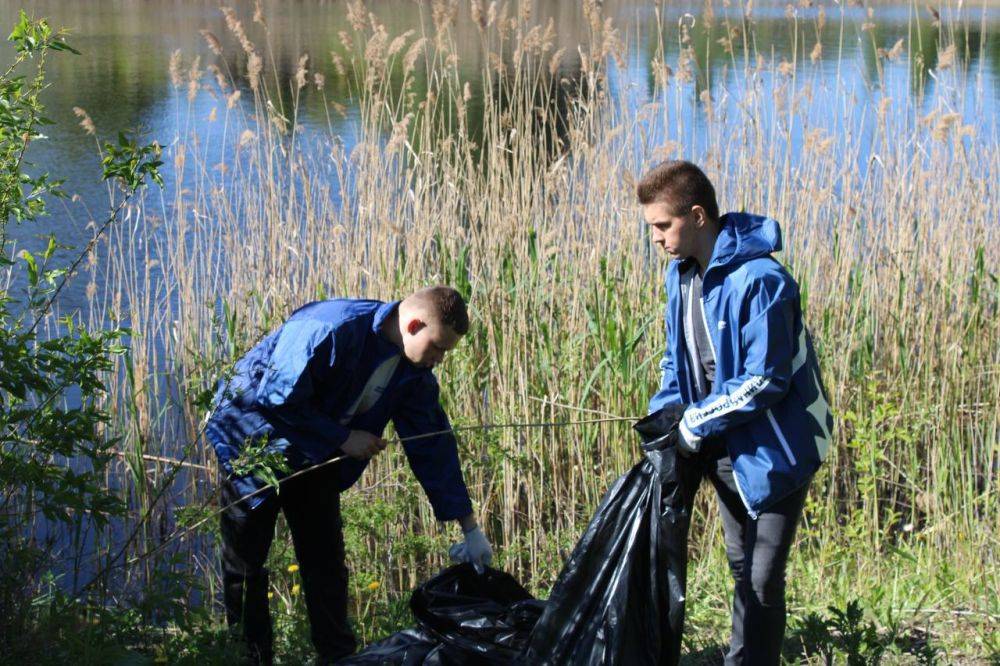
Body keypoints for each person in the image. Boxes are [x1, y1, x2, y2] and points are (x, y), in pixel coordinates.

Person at [205, 286, 492, 665]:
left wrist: (469, 527)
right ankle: (252, 659)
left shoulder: (414, 372)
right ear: (414, 324)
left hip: (319, 456)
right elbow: (275, 397)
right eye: (437, 347)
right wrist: (343, 437)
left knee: (326, 564)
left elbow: (432, 445)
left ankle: (339, 660)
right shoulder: (330, 329)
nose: (438, 360)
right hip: (254, 444)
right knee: (246, 567)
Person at [637, 160, 834, 665]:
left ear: (698, 216)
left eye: (663, 225)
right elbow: (674, 360)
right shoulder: (679, 277)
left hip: (774, 449)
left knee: (763, 575)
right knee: (741, 563)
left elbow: (766, 380)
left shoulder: (761, 279)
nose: (656, 238)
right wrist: (665, 416)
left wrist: (695, 422)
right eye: (651, 229)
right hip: (723, 444)